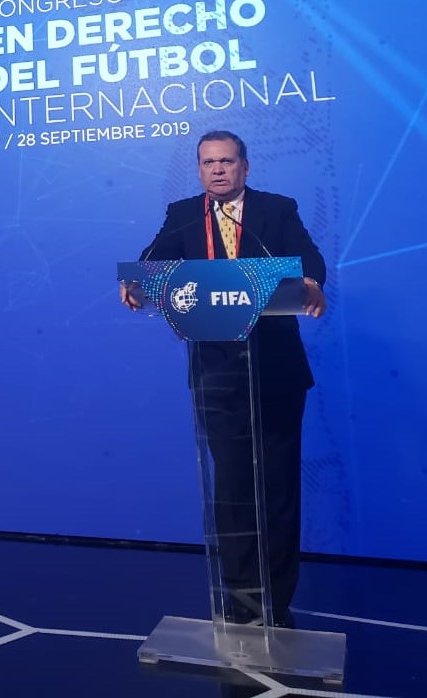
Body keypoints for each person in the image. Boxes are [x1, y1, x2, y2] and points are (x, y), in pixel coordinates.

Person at [120, 130, 326, 628]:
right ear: (198, 169)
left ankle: (276, 601)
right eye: (208, 162)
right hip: (217, 374)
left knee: (277, 488)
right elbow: (152, 262)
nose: (217, 170)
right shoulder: (184, 215)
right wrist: (134, 283)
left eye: (227, 162)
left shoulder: (277, 209)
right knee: (232, 488)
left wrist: (312, 281)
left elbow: (309, 259)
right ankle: (239, 602)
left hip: (275, 372)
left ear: (245, 167)